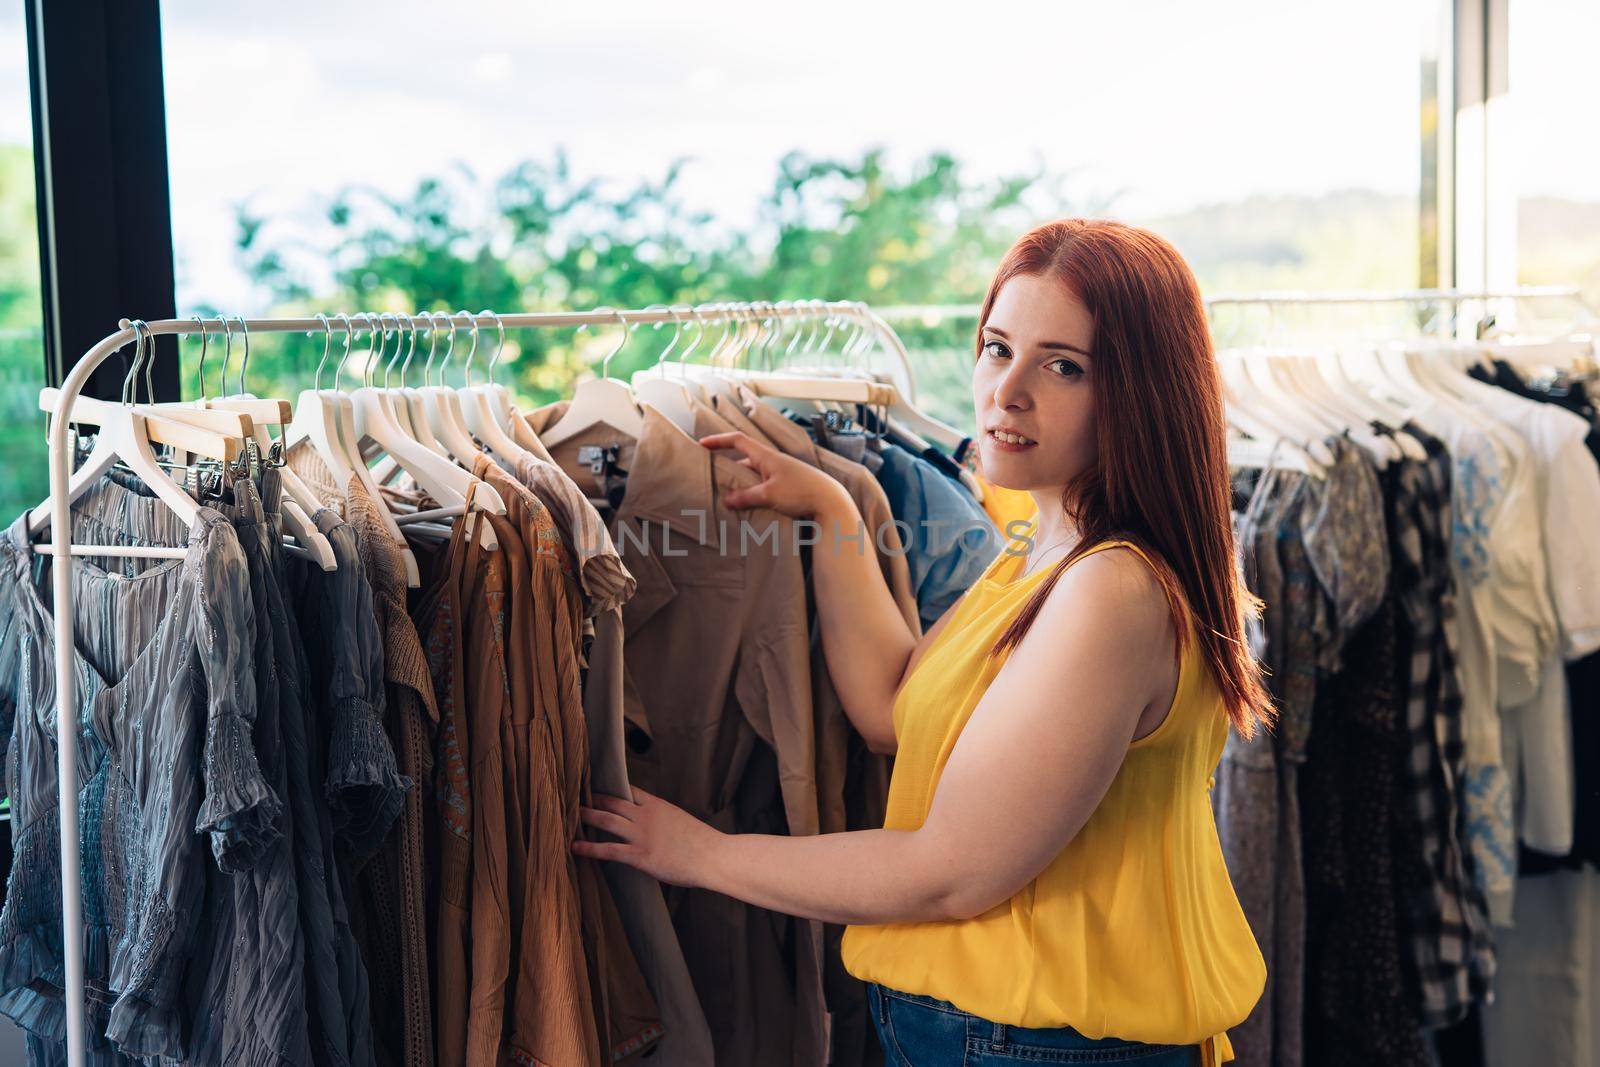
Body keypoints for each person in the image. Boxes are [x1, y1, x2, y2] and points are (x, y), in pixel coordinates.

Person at [573, 218, 1271, 1066]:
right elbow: (891, 707)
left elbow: (952, 870)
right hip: (999, 1035)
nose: (1005, 392)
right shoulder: (1043, 553)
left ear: (1144, 393)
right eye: (996, 347)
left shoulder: (1111, 590)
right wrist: (833, 509)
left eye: (1063, 366)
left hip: (1046, 1045)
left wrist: (704, 854)